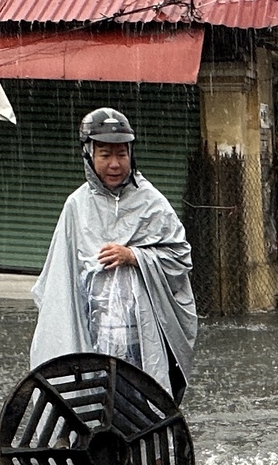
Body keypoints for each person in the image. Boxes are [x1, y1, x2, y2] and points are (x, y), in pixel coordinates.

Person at [29, 108, 197, 397]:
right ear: (88, 154)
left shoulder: (152, 202)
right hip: (94, 331)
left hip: (142, 334)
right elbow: (59, 279)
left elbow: (180, 258)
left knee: (141, 402)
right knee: (96, 403)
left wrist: (135, 257)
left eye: (121, 154)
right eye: (105, 154)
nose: (115, 164)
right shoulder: (76, 207)